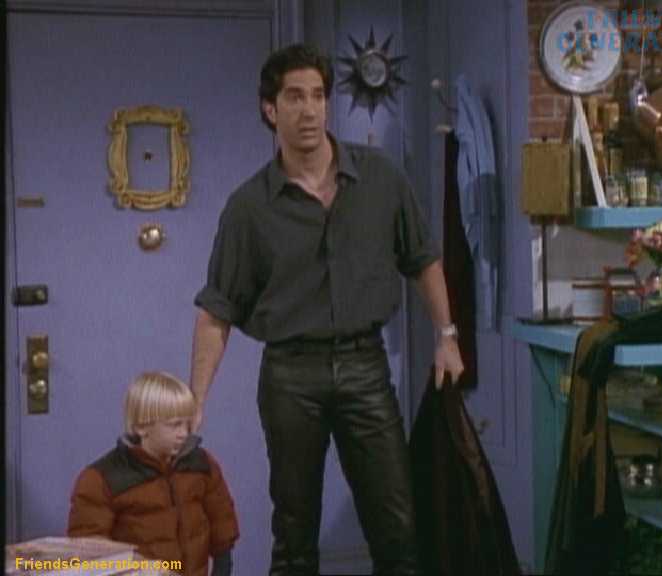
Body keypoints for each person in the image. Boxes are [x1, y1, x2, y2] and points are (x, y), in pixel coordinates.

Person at [190, 43, 464, 576]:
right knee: (294, 535)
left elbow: (423, 259)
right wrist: (196, 399)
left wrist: (447, 336)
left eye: (317, 96)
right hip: (291, 375)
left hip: (365, 366)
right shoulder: (249, 207)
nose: (309, 110)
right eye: (295, 97)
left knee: (398, 529)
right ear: (270, 109)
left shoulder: (380, 178)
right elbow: (217, 309)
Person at [67, 371, 239, 576]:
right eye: (175, 424)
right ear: (141, 426)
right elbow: (89, 547)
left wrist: (222, 568)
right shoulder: (102, 478)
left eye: (187, 423)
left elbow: (222, 523)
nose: (184, 433)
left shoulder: (201, 464)